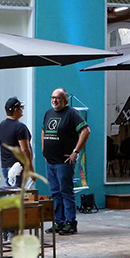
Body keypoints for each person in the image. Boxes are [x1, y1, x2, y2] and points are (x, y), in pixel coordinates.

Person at [42, 87, 90, 236]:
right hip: (50, 162)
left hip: (63, 162)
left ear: (65, 100)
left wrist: (76, 152)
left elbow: (86, 130)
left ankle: (70, 223)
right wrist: (44, 150)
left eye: (58, 98)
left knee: (66, 192)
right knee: (55, 193)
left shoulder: (71, 113)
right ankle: (59, 221)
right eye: (53, 97)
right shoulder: (48, 113)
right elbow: (44, 130)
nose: (54, 100)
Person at [0, 97, 32, 187]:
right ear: (16, 110)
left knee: (10, 191)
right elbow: (25, 150)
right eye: (21, 107)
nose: (22, 110)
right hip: (18, 167)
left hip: (5, 165)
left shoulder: (2, 125)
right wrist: (30, 167)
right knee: (17, 192)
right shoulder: (20, 127)